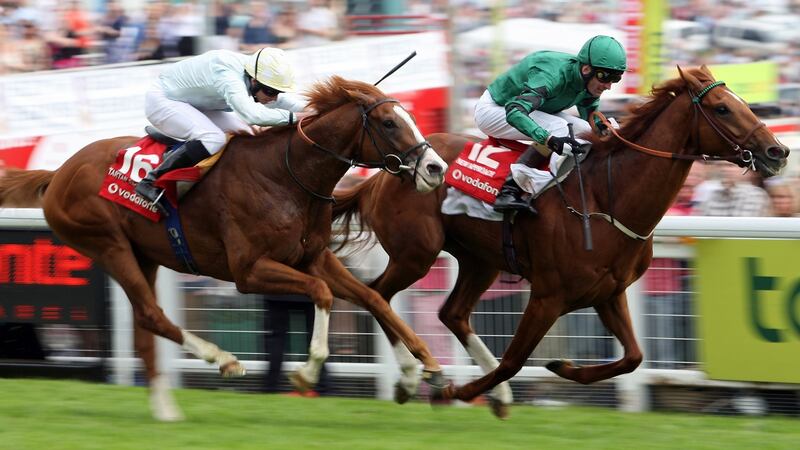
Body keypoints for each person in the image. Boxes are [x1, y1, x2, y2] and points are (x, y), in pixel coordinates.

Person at [135, 46, 311, 213]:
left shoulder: (254, 74)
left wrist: (315, 110)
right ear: (255, 81)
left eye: (277, 92)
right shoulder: (229, 76)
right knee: (214, 138)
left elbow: (281, 102)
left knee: (248, 134)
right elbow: (253, 116)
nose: (274, 98)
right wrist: (294, 118)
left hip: (195, 103)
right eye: (271, 92)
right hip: (164, 99)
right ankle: (151, 181)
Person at [473, 35, 627, 214]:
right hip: (495, 109)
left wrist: (605, 128)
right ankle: (510, 189)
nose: (608, 85)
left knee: (583, 130)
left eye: (615, 79)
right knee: (559, 127)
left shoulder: (590, 83)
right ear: (586, 69)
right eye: (604, 77)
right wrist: (548, 139)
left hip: (532, 110)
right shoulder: (551, 76)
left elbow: (590, 114)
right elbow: (515, 111)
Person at [262, 293, 329, 396]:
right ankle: (322, 387)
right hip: (310, 291)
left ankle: (271, 387)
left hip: (278, 291)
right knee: (315, 337)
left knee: (276, 338)